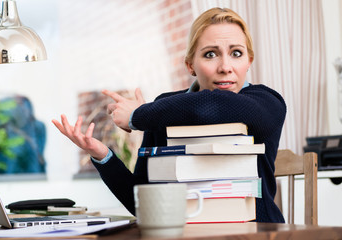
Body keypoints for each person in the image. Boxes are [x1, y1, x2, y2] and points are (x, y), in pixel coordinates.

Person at [52, 7, 286, 223]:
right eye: (210, 54)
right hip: (184, 233)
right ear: (190, 65)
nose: (226, 66)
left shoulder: (267, 102)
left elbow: (214, 105)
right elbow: (141, 203)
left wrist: (138, 115)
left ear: (249, 62)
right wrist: (102, 156)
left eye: (236, 53)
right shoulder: (163, 109)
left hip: (257, 232)